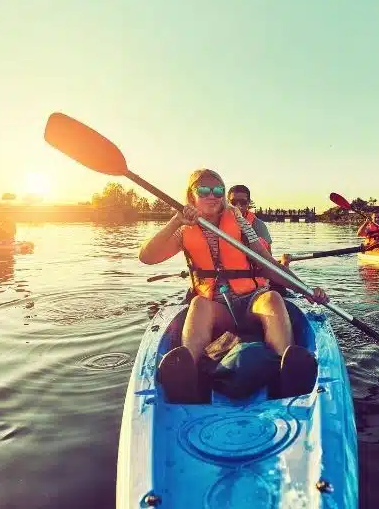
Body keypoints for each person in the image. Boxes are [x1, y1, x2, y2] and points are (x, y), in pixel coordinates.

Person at [139, 168, 329, 404]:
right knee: (198, 303)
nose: (212, 195)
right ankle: (190, 373)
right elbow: (147, 257)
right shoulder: (182, 229)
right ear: (191, 196)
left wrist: (306, 291)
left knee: (272, 299)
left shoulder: (240, 221)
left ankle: (284, 368)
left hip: (251, 301)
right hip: (217, 307)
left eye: (218, 190)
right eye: (204, 190)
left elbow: (269, 265)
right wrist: (176, 220)